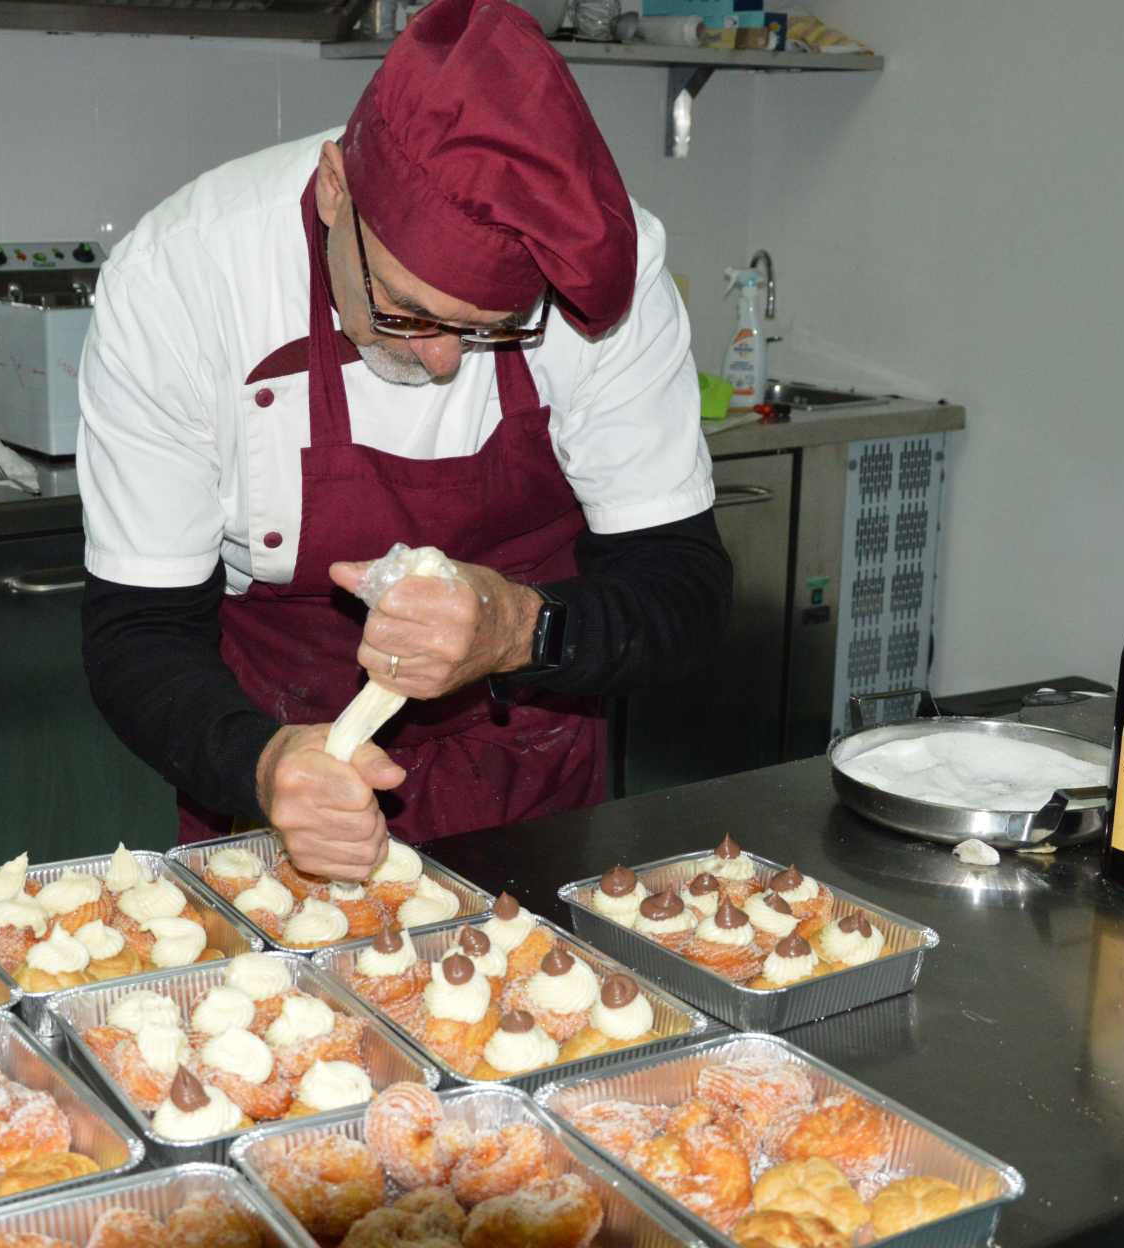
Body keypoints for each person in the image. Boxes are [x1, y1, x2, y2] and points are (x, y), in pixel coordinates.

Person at [77, 0, 731, 881]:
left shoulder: (601, 276)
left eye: (491, 329)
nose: (441, 358)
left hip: (530, 782)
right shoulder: (183, 282)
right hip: (277, 779)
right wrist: (262, 765)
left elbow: (683, 591)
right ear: (334, 189)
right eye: (403, 309)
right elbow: (139, 631)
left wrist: (519, 628)